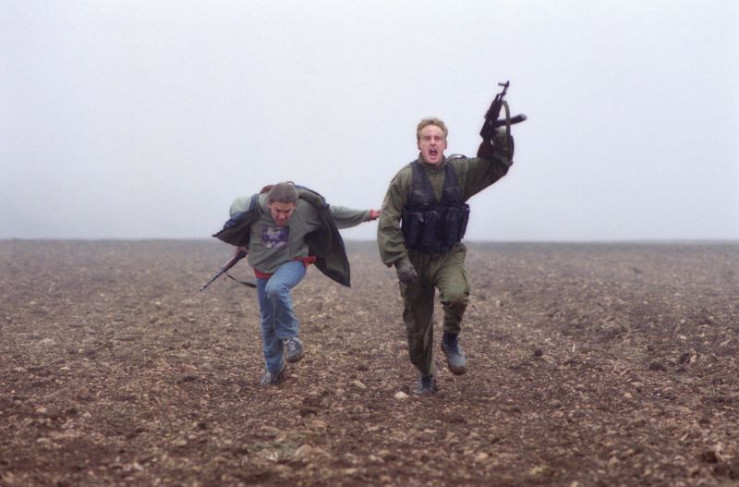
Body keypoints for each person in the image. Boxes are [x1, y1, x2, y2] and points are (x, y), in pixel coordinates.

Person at [377, 117, 515, 394]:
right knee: (418, 328)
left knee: (456, 294)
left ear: (445, 144)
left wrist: (499, 138)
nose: (432, 143)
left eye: (437, 138)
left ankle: (450, 338)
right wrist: (400, 261)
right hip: (414, 259)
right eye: (427, 138)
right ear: (419, 144)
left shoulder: (460, 172)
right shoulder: (405, 178)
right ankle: (426, 375)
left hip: (448, 254)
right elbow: (388, 220)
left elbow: (497, 167)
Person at [214, 182, 380, 386]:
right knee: (268, 322)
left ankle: (291, 338)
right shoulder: (249, 206)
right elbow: (236, 221)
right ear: (269, 203)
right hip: (263, 268)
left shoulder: (306, 210)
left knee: (276, 288)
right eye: (277, 211)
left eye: (287, 211)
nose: (282, 216)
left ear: (295, 205)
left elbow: (334, 213)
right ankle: (274, 369)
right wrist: (241, 242)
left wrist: (368, 214)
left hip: (293, 262)